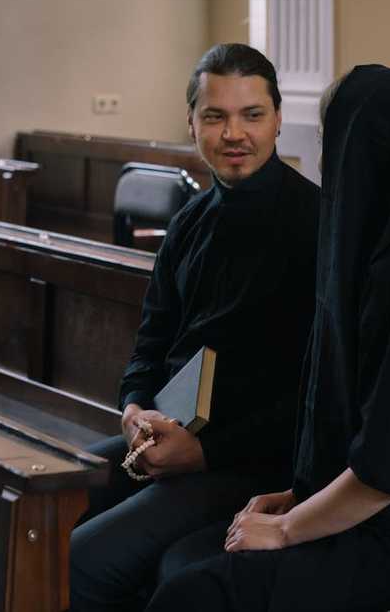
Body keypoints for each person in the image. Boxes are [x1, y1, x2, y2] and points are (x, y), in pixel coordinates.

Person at [145, 65, 390, 611]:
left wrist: (288, 529)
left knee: (195, 593)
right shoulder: (382, 256)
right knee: (183, 563)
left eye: (330, 141)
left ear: (360, 151)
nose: (325, 160)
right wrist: (297, 497)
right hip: (383, 517)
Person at [68, 43, 321, 612]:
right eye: (215, 116)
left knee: (84, 557)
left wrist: (203, 455)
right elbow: (151, 343)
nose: (235, 133)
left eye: (251, 115)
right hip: (170, 434)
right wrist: (134, 412)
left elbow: (313, 395)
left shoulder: (316, 225)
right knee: (40, 499)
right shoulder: (188, 222)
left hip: (256, 461)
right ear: (192, 124)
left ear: (278, 119)